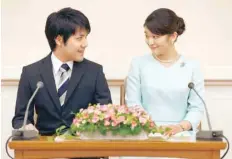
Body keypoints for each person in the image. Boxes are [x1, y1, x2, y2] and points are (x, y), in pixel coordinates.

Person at [12, 7, 112, 138]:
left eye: (86, 37)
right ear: (59, 40)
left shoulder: (95, 72)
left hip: (83, 148)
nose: (85, 44)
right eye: (79, 38)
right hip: (44, 149)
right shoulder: (31, 73)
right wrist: (26, 127)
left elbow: (106, 114)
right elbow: (20, 118)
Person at [124, 8, 205, 159]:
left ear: (173, 36)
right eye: (147, 36)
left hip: (181, 134)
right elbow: (133, 102)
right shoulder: (138, 64)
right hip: (145, 133)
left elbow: (196, 107)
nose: (150, 42)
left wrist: (180, 127)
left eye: (155, 37)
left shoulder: (192, 66)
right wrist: (151, 127)